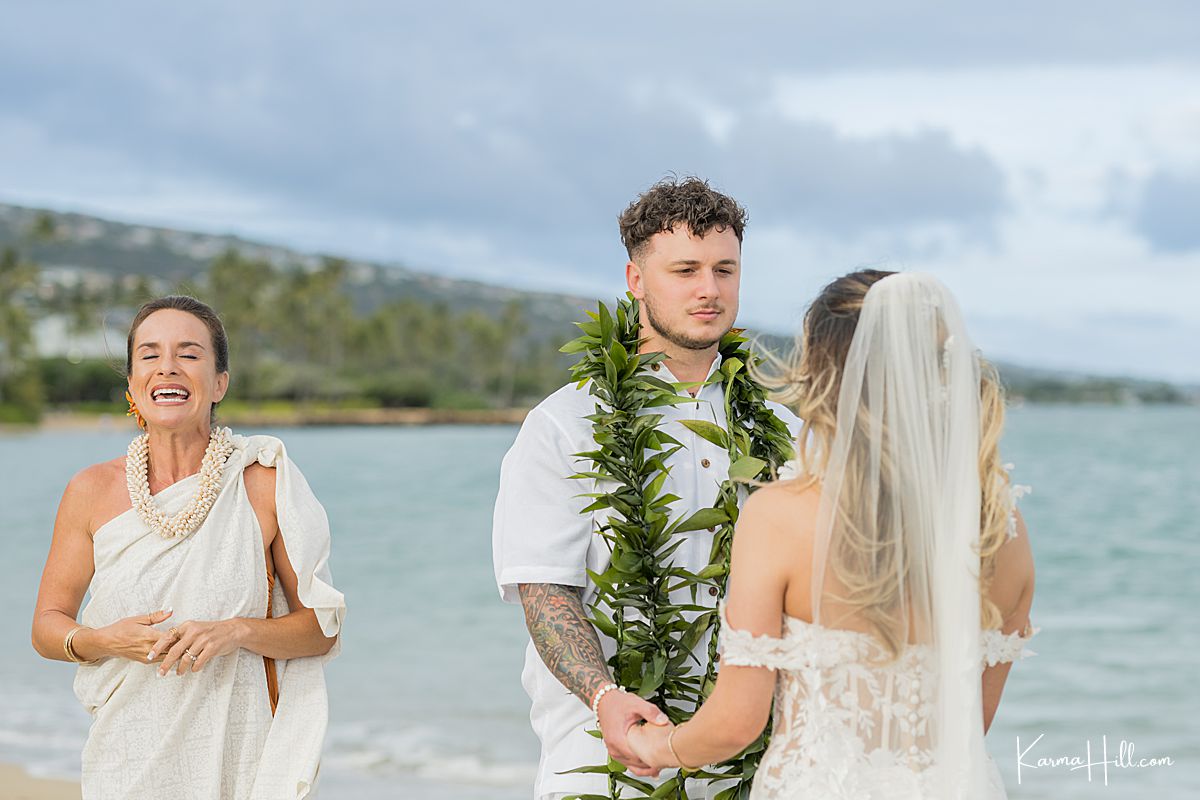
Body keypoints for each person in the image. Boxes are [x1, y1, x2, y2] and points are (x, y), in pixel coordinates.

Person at [627, 270, 1037, 799]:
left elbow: (737, 721)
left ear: (826, 376)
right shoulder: (999, 525)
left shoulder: (779, 515)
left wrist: (657, 747)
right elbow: (968, 725)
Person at [492, 177, 800, 799]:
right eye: (684, 269)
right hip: (608, 749)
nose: (708, 289)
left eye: (724, 269)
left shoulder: (786, 428)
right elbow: (545, 591)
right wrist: (604, 696)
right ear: (636, 280)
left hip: (753, 751)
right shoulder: (562, 425)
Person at [31, 295, 345, 799]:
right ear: (132, 383)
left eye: (190, 354)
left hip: (241, 759)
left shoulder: (261, 480)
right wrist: (105, 641)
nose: (168, 368)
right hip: (125, 758)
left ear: (220, 381)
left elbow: (320, 631)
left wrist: (237, 631)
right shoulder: (89, 490)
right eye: (150, 355)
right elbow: (47, 627)